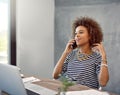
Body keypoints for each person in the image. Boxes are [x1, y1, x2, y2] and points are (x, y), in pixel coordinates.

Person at [52, 17, 109, 89]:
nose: (77, 35)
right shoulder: (71, 54)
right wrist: (65, 53)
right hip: (69, 92)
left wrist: (103, 56)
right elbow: (55, 75)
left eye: (81, 32)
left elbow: (103, 83)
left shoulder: (97, 57)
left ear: (90, 36)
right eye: (76, 33)